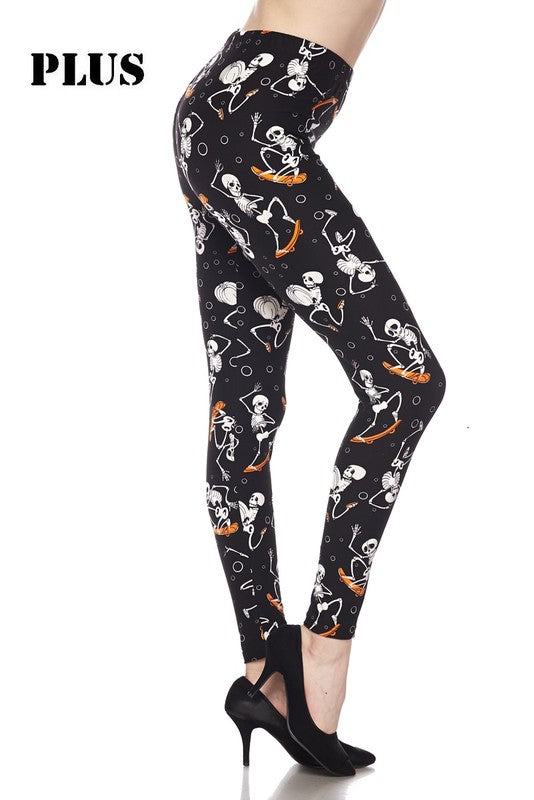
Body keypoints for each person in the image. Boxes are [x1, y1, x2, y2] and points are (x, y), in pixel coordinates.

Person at [172, 0, 447, 776]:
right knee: (405, 383)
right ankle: (321, 658)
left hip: (223, 110)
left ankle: (266, 670)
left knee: (246, 409)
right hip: (256, 119)